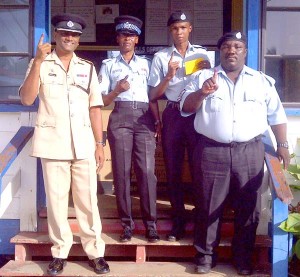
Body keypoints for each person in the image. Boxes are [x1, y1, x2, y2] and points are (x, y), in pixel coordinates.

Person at [180, 31, 290, 275]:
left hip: (250, 151)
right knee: (208, 205)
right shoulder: (202, 77)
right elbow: (185, 108)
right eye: (227, 46)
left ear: (245, 52)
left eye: (237, 46)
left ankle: (242, 259)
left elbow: (277, 116)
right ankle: (206, 257)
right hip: (211, 151)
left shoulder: (261, 81)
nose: (232, 50)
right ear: (221, 51)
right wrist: (202, 94)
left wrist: (282, 145)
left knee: (248, 207)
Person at [19, 13, 110, 275]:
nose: (69, 37)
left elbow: (95, 108)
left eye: (74, 35)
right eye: (64, 33)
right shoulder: (41, 63)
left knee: (88, 201)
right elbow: (26, 99)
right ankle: (59, 252)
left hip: (83, 144)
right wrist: (37, 62)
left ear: (79, 40)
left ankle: (95, 252)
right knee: (57, 203)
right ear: (56, 35)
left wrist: (99, 144)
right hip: (53, 143)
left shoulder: (87, 67)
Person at [148, 10, 211, 242]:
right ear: (170, 31)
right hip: (173, 113)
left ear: (190, 29)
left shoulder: (203, 55)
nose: (179, 32)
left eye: (183, 27)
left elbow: (211, 84)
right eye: (175, 28)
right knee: (173, 169)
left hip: (196, 114)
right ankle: (178, 221)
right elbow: (153, 94)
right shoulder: (161, 58)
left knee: (199, 168)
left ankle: (200, 219)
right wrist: (168, 76)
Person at [98, 15, 160, 243]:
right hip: (120, 117)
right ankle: (127, 224)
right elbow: (102, 100)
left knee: (146, 172)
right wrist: (116, 90)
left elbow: (153, 96)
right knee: (122, 173)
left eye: (131, 35)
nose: (127, 39)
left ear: (137, 39)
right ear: (117, 38)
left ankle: (151, 225)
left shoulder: (147, 64)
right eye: (123, 35)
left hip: (144, 117)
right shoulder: (108, 65)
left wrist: (157, 120)